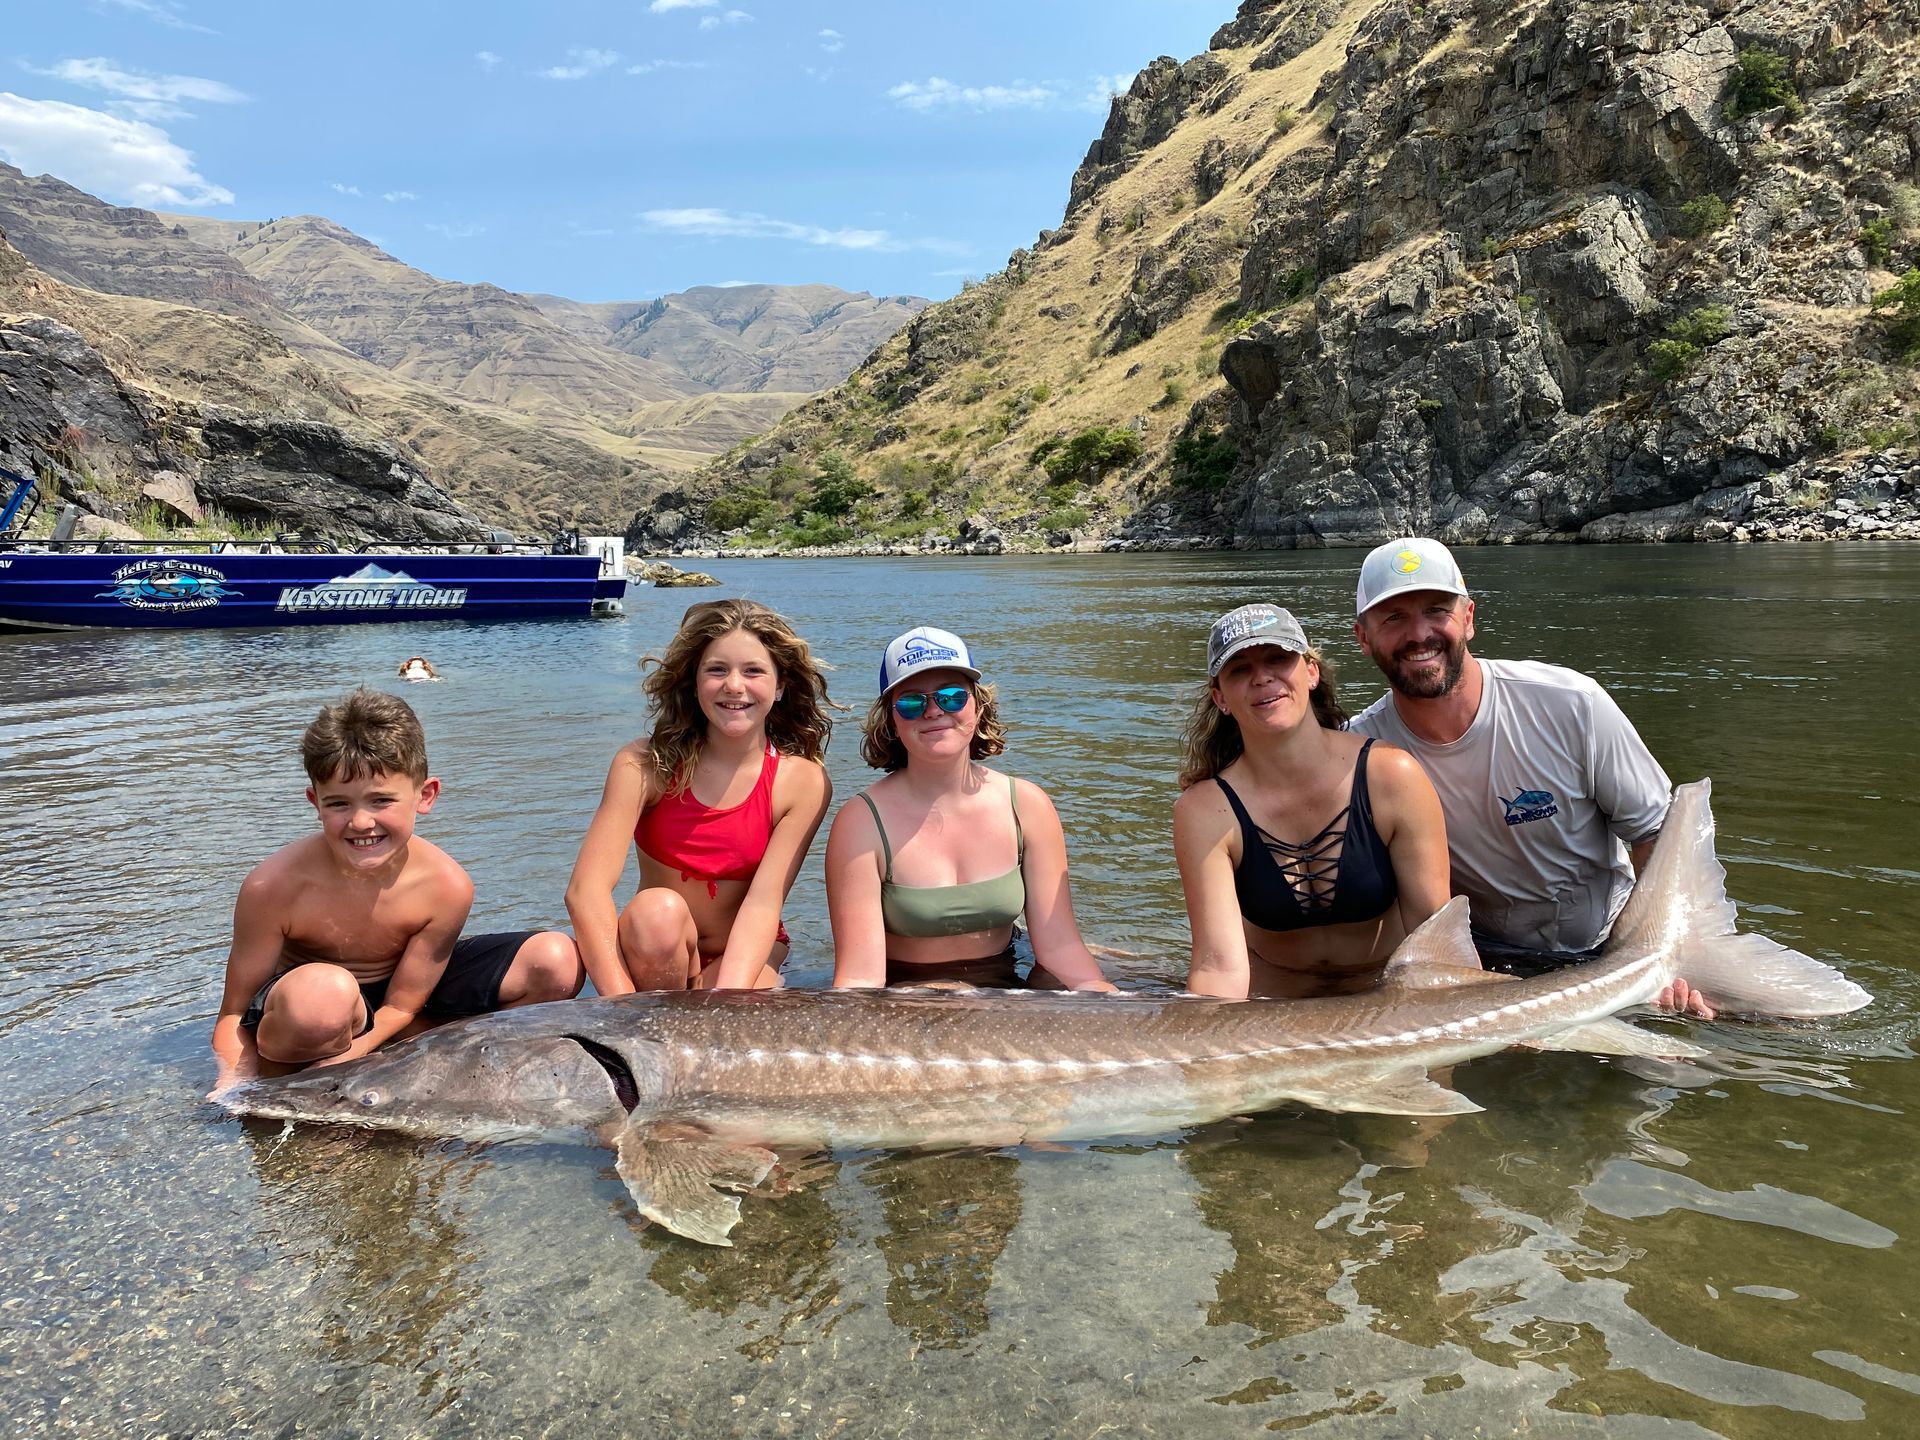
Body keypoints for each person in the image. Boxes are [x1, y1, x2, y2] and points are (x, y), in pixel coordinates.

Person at [1345, 537, 1711, 1014]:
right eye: (1394, 618)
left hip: (1610, 943)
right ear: (1362, 637)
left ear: (1469, 618)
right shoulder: (1358, 753)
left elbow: (1660, 835)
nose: (1419, 634)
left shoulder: (1571, 703)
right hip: (1490, 963)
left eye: (1437, 611)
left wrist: (1669, 956)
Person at [209, 689, 584, 1095]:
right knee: (322, 998)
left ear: (425, 796)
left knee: (556, 960)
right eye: (339, 804)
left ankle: (427, 1055)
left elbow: (403, 1004)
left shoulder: (445, 885)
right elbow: (232, 1015)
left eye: (381, 800)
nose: (360, 822)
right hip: (311, 1006)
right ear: (314, 802)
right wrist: (233, 1082)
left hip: (402, 1005)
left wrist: (361, 1052)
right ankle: (304, 1075)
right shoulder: (273, 886)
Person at [1173, 604, 1452, 999]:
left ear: (1310, 672)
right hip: (1275, 1002)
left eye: (1278, 659)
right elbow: (1218, 965)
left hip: (1385, 994)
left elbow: (1436, 940)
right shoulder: (1204, 810)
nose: (1262, 677)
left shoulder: (1391, 775)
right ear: (1220, 698)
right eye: (1240, 670)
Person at [825, 626, 1115, 990]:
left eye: (951, 697)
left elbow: (1059, 948)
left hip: (1008, 974)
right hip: (906, 992)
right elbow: (860, 977)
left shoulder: (1027, 805)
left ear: (977, 708)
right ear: (892, 721)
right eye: (912, 702)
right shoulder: (861, 821)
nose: (933, 711)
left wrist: (1104, 997)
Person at [566, 598, 833, 993]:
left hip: (746, 952)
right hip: (654, 947)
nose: (734, 686)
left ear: (780, 687)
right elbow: (585, 892)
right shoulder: (643, 764)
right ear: (694, 684)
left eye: (754, 671)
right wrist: (620, 1004)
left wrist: (725, 998)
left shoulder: (803, 782)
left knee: (738, 1013)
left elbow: (763, 904)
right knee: (658, 911)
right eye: (717, 670)